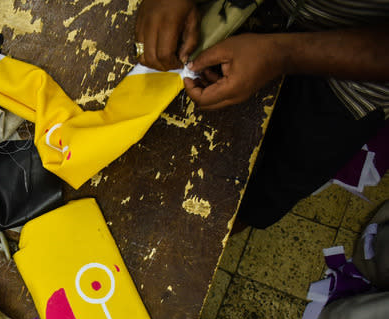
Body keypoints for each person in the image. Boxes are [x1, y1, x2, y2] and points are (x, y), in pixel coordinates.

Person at [135, 1, 389, 229]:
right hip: (252, 11)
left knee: (270, 189)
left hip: (352, 84)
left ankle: (220, 228)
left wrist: (281, 55)